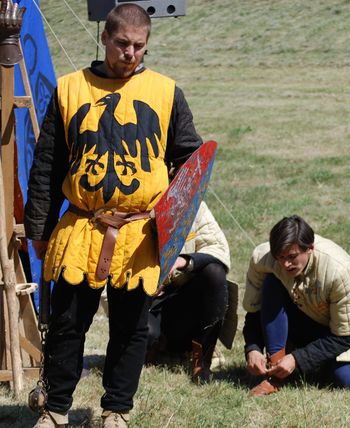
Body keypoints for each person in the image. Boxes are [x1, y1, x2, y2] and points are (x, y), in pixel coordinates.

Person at [24, 4, 202, 427]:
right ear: (104, 37)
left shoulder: (165, 93)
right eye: (122, 43)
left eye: (139, 46)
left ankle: (117, 410)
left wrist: (172, 231)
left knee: (131, 327)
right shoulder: (70, 89)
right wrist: (40, 230)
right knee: (67, 323)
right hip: (83, 225)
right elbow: (47, 164)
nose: (130, 53)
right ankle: (55, 410)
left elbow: (190, 164)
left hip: (138, 232)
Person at [243, 215, 350, 396]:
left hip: (342, 332)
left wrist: (298, 359)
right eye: (280, 257)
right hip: (301, 320)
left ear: (310, 248)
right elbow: (255, 310)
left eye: (292, 256)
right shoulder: (263, 259)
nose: (286, 263)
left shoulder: (340, 270)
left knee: (349, 380)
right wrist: (253, 348)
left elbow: (347, 335)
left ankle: (305, 365)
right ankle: (276, 370)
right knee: (271, 283)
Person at [146, 201, 236, 384]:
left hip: (183, 300)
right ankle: (154, 348)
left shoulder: (194, 204)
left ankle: (202, 359)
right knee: (146, 335)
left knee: (214, 271)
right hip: (145, 301)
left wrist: (185, 262)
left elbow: (217, 249)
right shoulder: (131, 203)